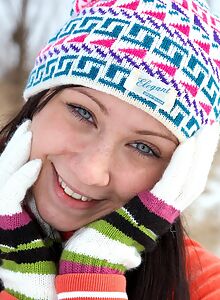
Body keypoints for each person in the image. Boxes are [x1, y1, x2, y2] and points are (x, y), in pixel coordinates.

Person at [0, 0, 220, 299]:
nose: (91, 172)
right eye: (82, 112)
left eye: (143, 147)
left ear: (183, 171)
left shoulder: (204, 285)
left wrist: (92, 276)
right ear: (38, 103)